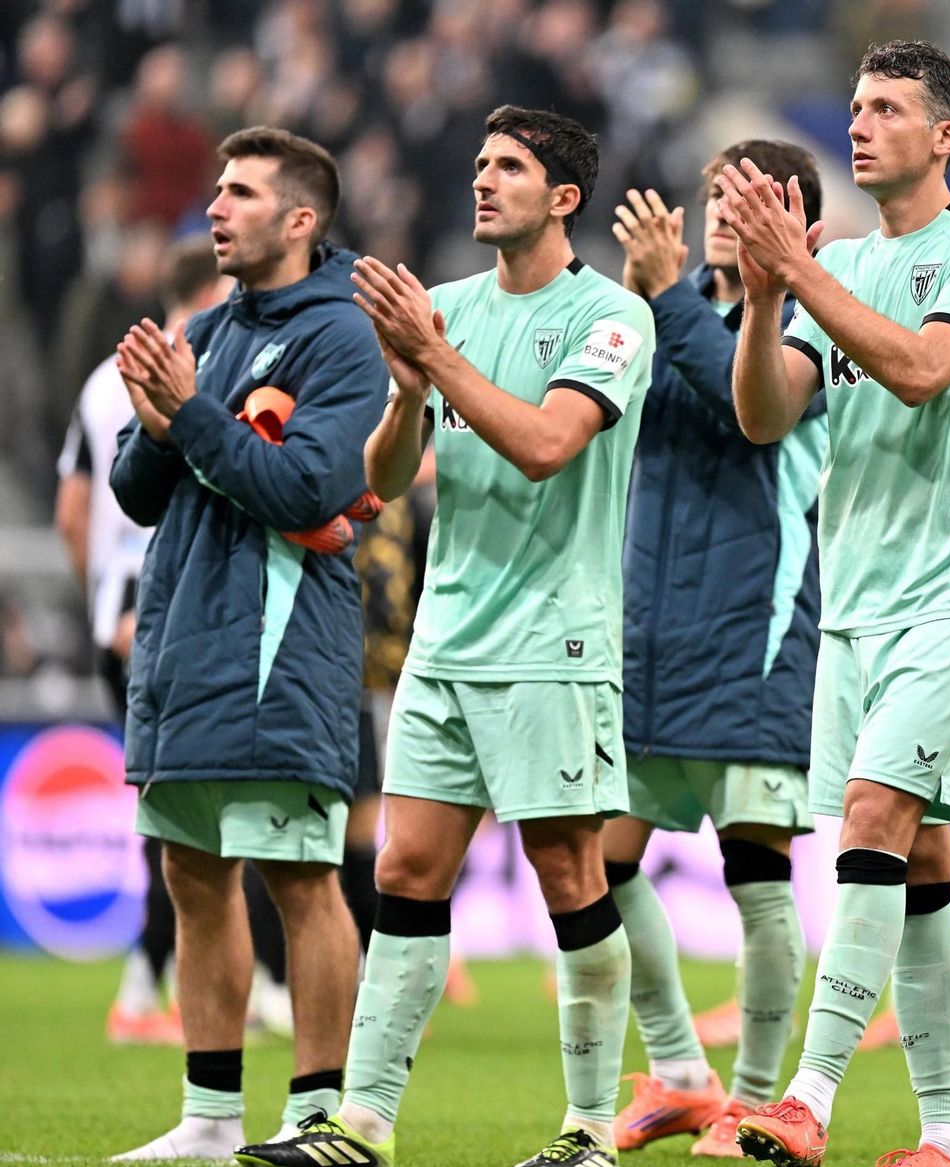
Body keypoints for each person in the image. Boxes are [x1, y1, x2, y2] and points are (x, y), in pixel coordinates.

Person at [235, 105, 655, 1167]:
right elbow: (382, 484)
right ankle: (363, 1125)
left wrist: (435, 353)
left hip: (554, 640)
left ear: (563, 198)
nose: (481, 181)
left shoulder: (612, 317)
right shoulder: (449, 307)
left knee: (569, 875)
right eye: (476, 164)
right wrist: (410, 391)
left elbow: (549, 444)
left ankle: (590, 1130)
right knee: (409, 869)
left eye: (507, 167)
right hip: (449, 636)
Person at [719, 40, 950, 1167]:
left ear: (945, 135)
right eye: (854, 106)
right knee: (917, 871)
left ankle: (806, 1094)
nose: (858, 126)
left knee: (870, 820)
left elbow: (918, 368)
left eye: (888, 108)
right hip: (855, 598)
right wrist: (764, 302)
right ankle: (947, 1137)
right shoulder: (839, 264)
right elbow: (766, 417)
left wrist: (800, 276)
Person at [107, 127, 389, 1159]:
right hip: (183, 638)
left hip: (279, 645)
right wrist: (155, 419)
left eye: (240, 193)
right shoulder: (209, 327)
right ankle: (209, 1117)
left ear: (300, 219)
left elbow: (309, 490)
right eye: (217, 192)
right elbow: (139, 496)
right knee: (189, 873)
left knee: (301, 877)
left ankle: (318, 1114)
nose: (214, 209)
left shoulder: (344, 337)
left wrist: (189, 420)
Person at [603, 139, 826, 1158]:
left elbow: (752, 420)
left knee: (756, 877)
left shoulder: (815, 323)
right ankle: (681, 1072)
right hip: (648, 638)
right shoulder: (666, 307)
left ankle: (752, 1095)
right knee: (594, 864)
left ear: (798, 221)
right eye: (716, 198)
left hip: (755, 632)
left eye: (751, 200)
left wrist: (659, 299)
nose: (725, 215)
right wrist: (640, 301)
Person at [56, 236, 230, 1049]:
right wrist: (127, 598)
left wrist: (98, 596)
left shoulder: (101, 379)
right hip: (157, 611)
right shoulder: (196, 363)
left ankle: (186, 983)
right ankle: (140, 990)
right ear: (209, 289)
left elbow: (71, 505)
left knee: (179, 812)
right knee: (186, 815)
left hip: (114, 613)